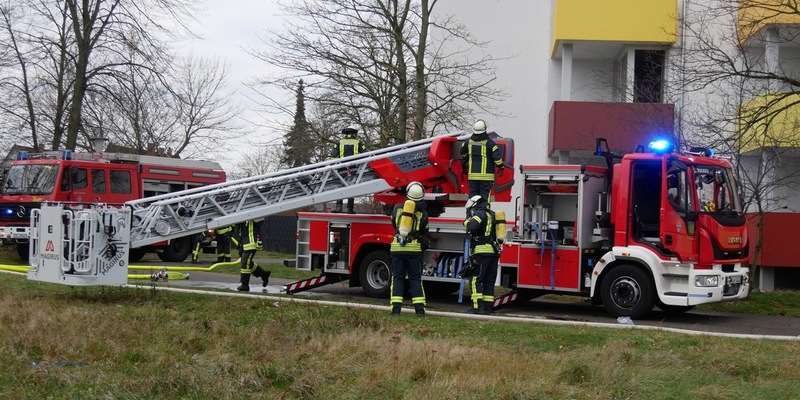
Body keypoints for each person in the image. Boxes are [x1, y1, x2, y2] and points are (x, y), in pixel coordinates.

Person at [389, 181, 429, 316]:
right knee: (415, 279)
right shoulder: (423, 213)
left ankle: (395, 310)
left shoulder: (397, 208)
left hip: (397, 247)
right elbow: (425, 231)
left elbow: (394, 224)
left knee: (398, 278)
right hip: (414, 249)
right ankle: (420, 311)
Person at [463, 195, 500, 315]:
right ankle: (488, 307)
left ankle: (477, 307)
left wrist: (467, 220)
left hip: (481, 252)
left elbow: (471, 227)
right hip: (493, 253)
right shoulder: (493, 214)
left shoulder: (480, 214)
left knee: (475, 279)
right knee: (489, 281)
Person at [460, 119, 504, 200]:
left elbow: (462, 153)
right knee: (484, 198)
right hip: (486, 177)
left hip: (472, 176)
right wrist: (501, 167)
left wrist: (467, 158)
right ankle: (483, 212)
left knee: (472, 197)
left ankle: (472, 212)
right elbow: (497, 158)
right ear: (484, 130)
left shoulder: (468, 142)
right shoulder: (490, 143)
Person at [331, 126, 366, 213]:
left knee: (340, 186)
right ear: (354, 134)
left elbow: (333, 155)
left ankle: (339, 207)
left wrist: (336, 166)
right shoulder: (358, 142)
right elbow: (365, 154)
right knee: (352, 187)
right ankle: (350, 209)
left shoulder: (339, 142)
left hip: (342, 168)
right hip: (354, 168)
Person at [236, 219, 271, 292]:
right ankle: (264, 274)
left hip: (252, 241)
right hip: (244, 240)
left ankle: (245, 284)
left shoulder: (256, 211)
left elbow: (259, 221)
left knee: (245, 261)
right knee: (246, 261)